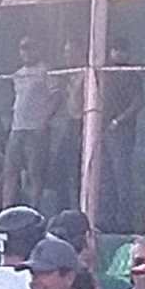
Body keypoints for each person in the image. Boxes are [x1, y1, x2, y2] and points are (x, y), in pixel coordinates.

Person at [4, 36, 61, 208]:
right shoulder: (17, 74)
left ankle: (33, 209)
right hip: (17, 128)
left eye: (30, 47)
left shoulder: (46, 71)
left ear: (38, 49)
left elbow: (57, 96)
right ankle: (6, 210)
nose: (26, 51)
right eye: (23, 47)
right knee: (10, 170)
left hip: (35, 129)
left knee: (34, 172)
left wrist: (44, 121)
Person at [99, 37, 144, 233]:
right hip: (103, 131)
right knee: (105, 177)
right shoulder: (105, 73)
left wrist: (119, 121)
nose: (117, 53)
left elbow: (138, 103)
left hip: (121, 133)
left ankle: (125, 221)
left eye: (121, 50)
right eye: (115, 50)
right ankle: (107, 219)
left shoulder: (131, 74)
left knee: (121, 177)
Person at [51, 38, 85, 213]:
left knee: (78, 170)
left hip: (83, 123)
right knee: (59, 168)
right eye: (65, 53)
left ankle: (81, 209)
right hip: (70, 123)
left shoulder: (86, 74)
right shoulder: (67, 75)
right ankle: (62, 209)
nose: (67, 56)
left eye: (70, 52)